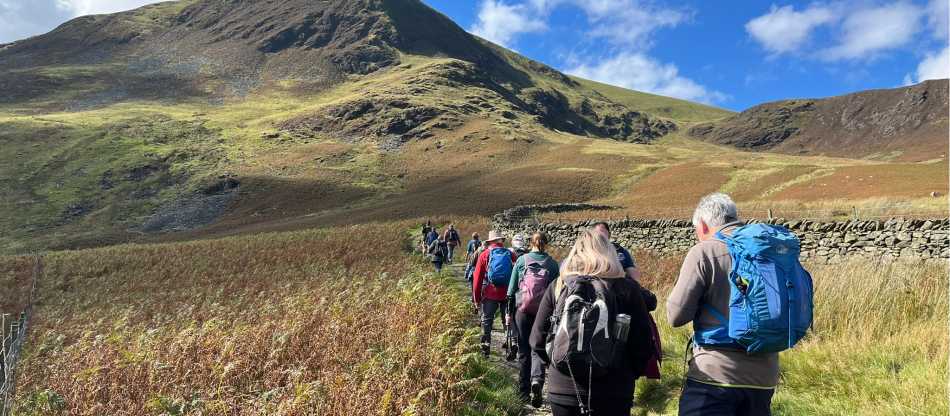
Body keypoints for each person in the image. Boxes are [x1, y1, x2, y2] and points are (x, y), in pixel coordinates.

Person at [668, 193, 778, 416]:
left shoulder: (705, 251)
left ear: (703, 225)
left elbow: (675, 316)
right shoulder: (769, 251)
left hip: (715, 375)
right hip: (764, 377)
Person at [530, 228, 654, 416]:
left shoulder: (560, 285)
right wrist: (628, 372)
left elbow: (537, 339)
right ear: (610, 254)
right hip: (614, 391)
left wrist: (560, 365)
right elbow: (643, 343)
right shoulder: (627, 288)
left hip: (564, 390)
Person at [507, 232, 559, 407]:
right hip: (543, 313)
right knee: (538, 348)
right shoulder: (552, 264)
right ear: (546, 244)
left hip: (522, 310)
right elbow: (557, 292)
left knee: (524, 350)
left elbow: (511, 289)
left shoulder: (522, 260)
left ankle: (523, 391)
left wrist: (509, 311)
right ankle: (537, 380)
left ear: (531, 243)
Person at [472, 230, 516, 357]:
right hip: (507, 293)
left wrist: (476, 298)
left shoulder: (485, 254)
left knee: (487, 320)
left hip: (490, 293)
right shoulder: (511, 254)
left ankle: (485, 348)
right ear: (501, 241)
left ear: (490, 242)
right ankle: (511, 344)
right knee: (507, 320)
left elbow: (477, 279)